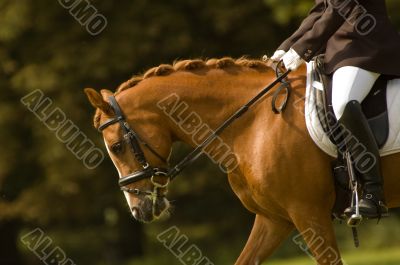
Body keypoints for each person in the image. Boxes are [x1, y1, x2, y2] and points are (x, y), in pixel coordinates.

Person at [271, 0, 400, 218]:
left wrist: (302, 49)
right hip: (338, 51)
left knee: (343, 102)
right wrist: (286, 46)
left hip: (367, 47)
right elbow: (321, 10)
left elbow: (342, 7)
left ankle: (373, 192)